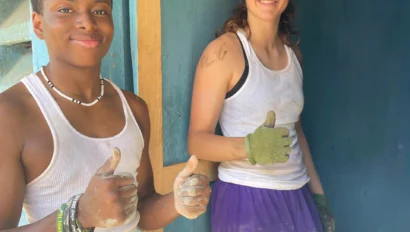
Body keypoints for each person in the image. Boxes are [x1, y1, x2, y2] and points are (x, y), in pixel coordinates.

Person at [0, 0, 211, 231]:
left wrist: (177, 202)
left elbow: (141, 211)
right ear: (38, 25)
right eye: (65, 9)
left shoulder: (133, 108)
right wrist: (79, 215)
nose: (87, 23)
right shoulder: (11, 114)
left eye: (99, 10)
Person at [188, 0, 335, 231]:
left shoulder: (293, 55)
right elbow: (197, 141)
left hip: (298, 195)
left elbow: (296, 133)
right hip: (245, 199)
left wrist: (319, 197)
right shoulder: (223, 53)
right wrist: (249, 147)